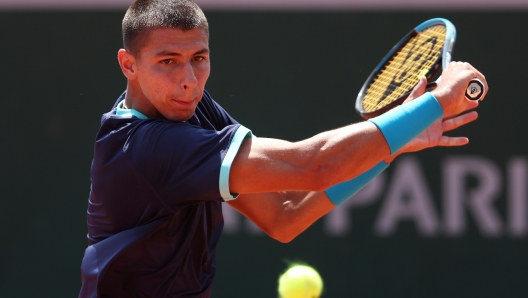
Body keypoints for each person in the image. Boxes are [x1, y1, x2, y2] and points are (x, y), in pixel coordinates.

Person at [79, 0, 488, 297]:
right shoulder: (147, 148)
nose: (189, 79)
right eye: (167, 61)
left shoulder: (188, 107)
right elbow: (314, 165)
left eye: (198, 58)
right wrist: (436, 102)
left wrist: (393, 144)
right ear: (128, 64)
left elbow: (285, 216)